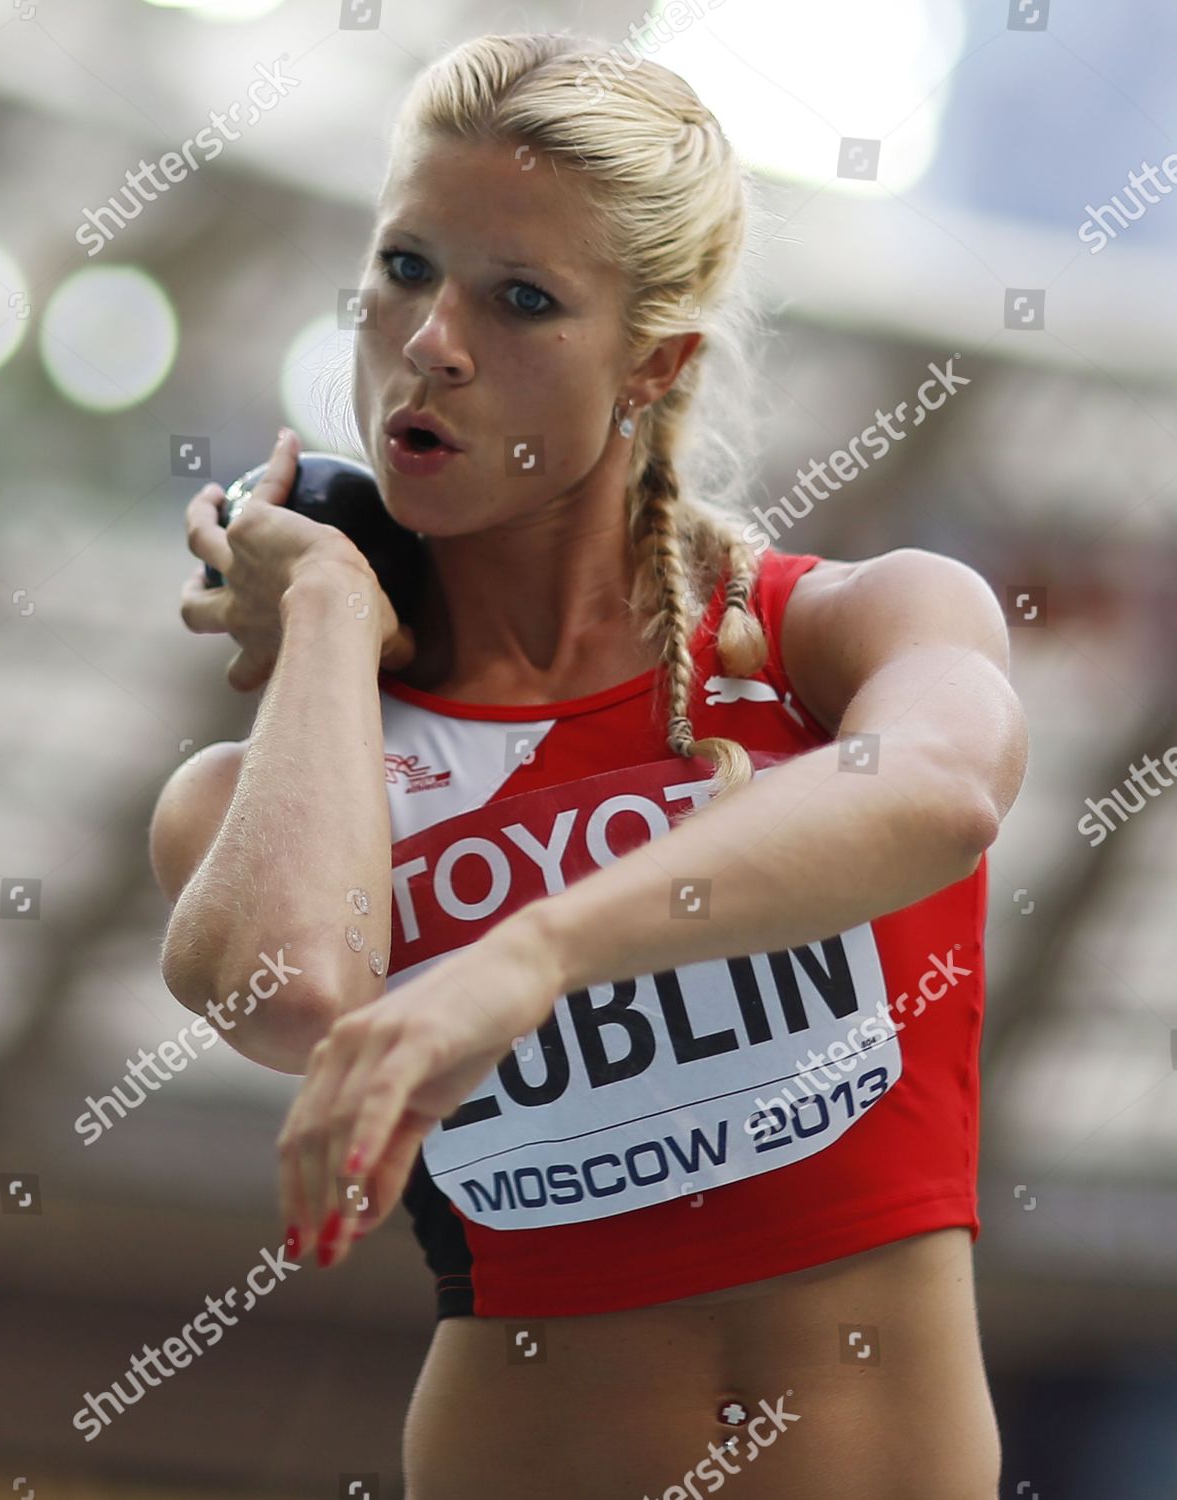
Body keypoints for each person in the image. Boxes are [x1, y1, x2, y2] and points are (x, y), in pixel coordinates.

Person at [150, 31, 1028, 1500]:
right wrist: (323, 608)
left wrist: (531, 957)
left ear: (654, 366)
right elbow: (296, 989)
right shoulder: (271, 791)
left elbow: (939, 790)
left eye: (520, 300)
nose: (432, 340)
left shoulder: (845, 631)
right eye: (407, 267)